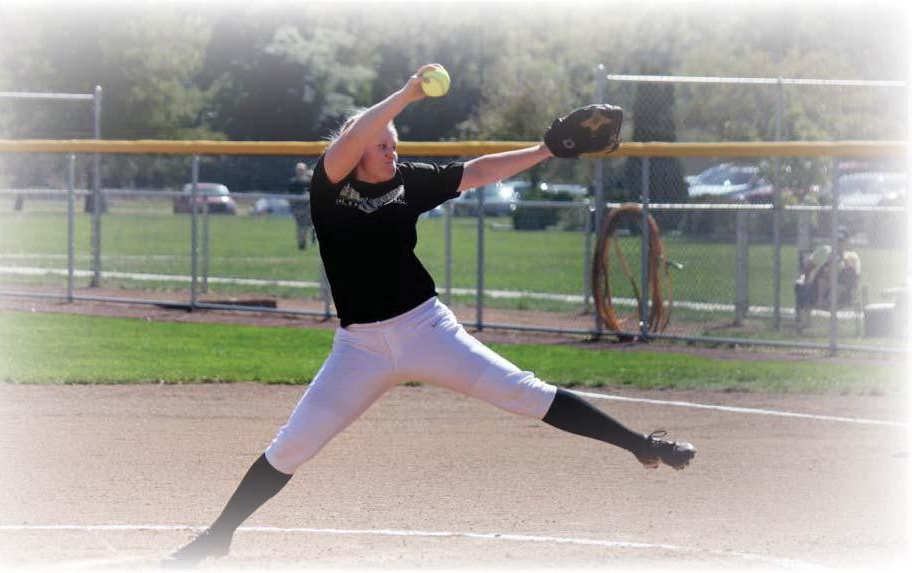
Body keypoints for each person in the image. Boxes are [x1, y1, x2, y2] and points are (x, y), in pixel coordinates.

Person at [163, 64, 696, 569]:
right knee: (292, 446)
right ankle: (218, 536)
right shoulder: (330, 189)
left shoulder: (407, 181)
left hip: (425, 328)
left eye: (395, 144)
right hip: (360, 349)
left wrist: (545, 149)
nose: (392, 152)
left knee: (524, 392)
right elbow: (351, 139)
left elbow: (478, 172)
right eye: (382, 145)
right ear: (356, 150)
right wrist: (406, 94)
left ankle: (643, 446)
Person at [287, 162, 315, 250]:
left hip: (309, 209)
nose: (300, 172)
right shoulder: (293, 183)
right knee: (301, 227)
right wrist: (294, 207)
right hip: (298, 209)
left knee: (312, 225)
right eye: (298, 170)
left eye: (301, 170)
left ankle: (313, 236)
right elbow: (289, 197)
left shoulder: (309, 182)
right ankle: (302, 244)